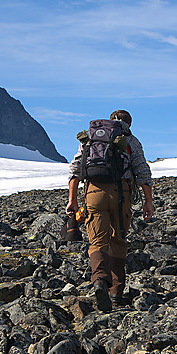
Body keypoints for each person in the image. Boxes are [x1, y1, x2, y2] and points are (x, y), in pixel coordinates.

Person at [66, 110, 154, 311]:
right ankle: (115, 292)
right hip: (121, 194)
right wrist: (148, 201)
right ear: (128, 124)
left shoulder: (90, 137)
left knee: (98, 241)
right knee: (118, 239)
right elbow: (142, 171)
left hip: (93, 193)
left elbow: (75, 169)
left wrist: (72, 200)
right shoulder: (130, 139)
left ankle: (99, 282)